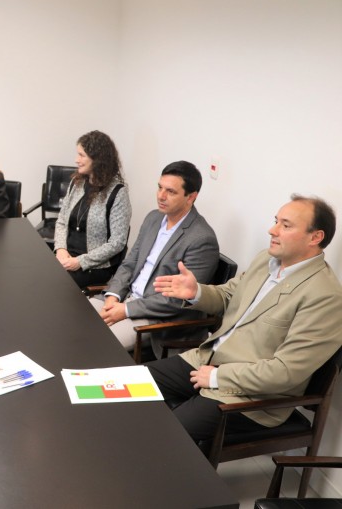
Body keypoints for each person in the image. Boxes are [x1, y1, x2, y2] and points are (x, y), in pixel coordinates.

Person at [148, 195, 342, 441]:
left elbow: (285, 372)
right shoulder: (267, 260)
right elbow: (229, 296)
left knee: (164, 435)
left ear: (316, 237)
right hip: (206, 359)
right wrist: (196, 291)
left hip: (251, 395)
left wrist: (219, 377)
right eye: (276, 221)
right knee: (127, 385)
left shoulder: (325, 296)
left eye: (286, 225)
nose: (272, 230)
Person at [90, 161, 219, 355]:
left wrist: (125, 310)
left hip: (156, 318)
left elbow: (176, 301)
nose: (161, 196)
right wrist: (113, 296)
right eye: (159, 187)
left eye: (171, 192)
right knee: (75, 319)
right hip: (125, 298)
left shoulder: (202, 239)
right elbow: (130, 262)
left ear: (191, 197)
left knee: (98, 343)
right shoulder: (153, 218)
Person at [53, 130, 132, 289]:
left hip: (97, 266)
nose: (76, 160)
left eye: (81, 155)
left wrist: (80, 262)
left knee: (53, 283)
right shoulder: (76, 183)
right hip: (68, 257)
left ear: (97, 158)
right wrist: (61, 249)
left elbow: (117, 242)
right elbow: (61, 221)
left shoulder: (117, 193)